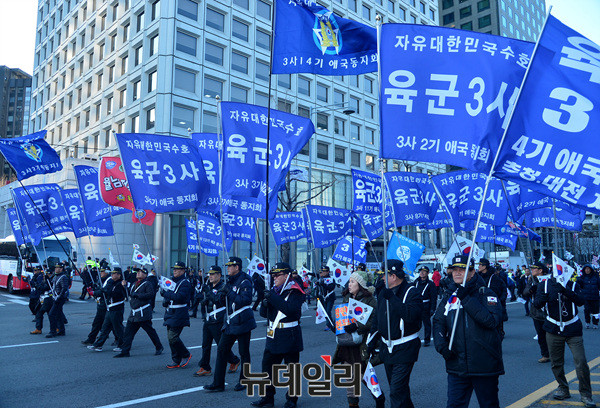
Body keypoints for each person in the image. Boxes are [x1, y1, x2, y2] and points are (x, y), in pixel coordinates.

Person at [433, 255, 504, 408]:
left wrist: (466, 298)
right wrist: (441, 345)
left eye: (462, 270)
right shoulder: (449, 295)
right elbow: (438, 321)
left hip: (484, 364)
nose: (457, 273)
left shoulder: (486, 293)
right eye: (454, 270)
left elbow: (491, 321)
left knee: (489, 404)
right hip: (457, 364)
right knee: (454, 405)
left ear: (472, 272)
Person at [533, 268, 596, 407]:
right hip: (553, 328)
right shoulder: (544, 285)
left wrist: (565, 290)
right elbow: (536, 304)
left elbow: (580, 301)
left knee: (581, 361)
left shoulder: (573, 285)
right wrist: (544, 296)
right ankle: (563, 387)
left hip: (572, 328)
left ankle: (586, 394)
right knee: (556, 362)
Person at [251, 263, 306, 408]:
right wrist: (265, 302)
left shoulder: (295, 291)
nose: (274, 278)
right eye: (273, 275)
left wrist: (273, 298)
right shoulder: (274, 291)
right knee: (267, 368)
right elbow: (264, 314)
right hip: (273, 335)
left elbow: (291, 310)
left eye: (277, 275)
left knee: (291, 370)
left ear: (287, 275)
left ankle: (292, 399)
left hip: (290, 335)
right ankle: (267, 398)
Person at [369, 260, 421, 408]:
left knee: (396, 391)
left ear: (394, 276)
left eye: (385, 275)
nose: (382, 278)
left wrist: (391, 298)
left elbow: (411, 315)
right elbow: (377, 320)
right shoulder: (383, 292)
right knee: (400, 389)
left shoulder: (412, 292)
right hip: (387, 348)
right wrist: (371, 340)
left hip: (405, 347)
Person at [331, 270, 385, 408]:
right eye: (349, 281)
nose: (349, 284)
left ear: (360, 284)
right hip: (347, 343)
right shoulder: (346, 298)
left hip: (362, 345)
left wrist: (357, 326)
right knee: (349, 376)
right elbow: (343, 318)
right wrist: (338, 326)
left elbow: (375, 322)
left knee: (364, 375)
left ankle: (379, 398)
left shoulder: (371, 300)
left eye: (352, 281)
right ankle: (353, 404)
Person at [205, 256, 256, 392]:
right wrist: (214, 297)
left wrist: (229, 292)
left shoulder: (245, 281)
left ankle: (244, 380)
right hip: (230, 323)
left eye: (229, 266)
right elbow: (223, 301)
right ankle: (218, 383)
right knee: (222, 350)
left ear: (237, 267)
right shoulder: (229, 281)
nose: (227, 268)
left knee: (244, 352)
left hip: (243, 321)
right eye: (227, 266)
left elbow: (245, 300)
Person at [194, 265, 240, 377]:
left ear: (219, 275)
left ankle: (234, 360)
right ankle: (205, 367)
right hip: (208, 320)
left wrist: (207, 292)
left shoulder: (223, 287)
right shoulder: (208, 285)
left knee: (221, 345)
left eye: (213, 274)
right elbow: (208, 299)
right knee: (205, 344)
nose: (210, 276)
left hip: (218, 320)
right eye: (209, 274)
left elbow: (217, 300)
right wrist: (203, 299)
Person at [114, 268, 164, 358]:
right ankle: (125, 351)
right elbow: (129, 294)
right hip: (134, 313)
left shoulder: (147, 283)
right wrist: (124, 287)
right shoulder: (134, 284)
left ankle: (159, 346)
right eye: (137, 272)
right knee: (128, 333)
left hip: (143, 313)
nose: (138, 273)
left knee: (150, 331)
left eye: (141, 272)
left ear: (145, 275)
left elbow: (150, 295)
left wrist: (137, 295)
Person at [161, 261, 193, 369]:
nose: (174, 270)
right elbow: (170, 296)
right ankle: (176, 359)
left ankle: (185, 354)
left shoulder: (185, 283)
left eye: (177, 269)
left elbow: (179, 297)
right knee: (170, 338)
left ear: (183, 270)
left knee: (173, 337)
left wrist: (166, 294)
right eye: (174, 268)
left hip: (179, 313)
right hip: (170, 312)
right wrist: (165, 300)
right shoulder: (172, 281)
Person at [88, 268, 127, 352]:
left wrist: (105, 291)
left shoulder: (121, 284)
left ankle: (122, 345)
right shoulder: (112, 282)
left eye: (114, 273)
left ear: (119, 275)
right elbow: (104, 291)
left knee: (118, 328)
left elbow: (116, 294)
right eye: (112, 273)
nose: (112, 275)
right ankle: (98, 345)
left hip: (117, 308)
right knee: (105, 328)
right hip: (110, 308)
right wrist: (96, 292)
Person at [523, 262, 550, 363]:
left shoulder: (550, 279)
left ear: (540, 270)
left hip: (549, 311)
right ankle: (545, 354)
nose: (531, 270)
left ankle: (555, 354)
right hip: (536, 312)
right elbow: (524, 292)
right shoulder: (531, 280)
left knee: (552, 335)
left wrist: (539, 287)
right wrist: (531, 290)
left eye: (534, 268)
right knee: (541, 335)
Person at [478, 259, 508, 339]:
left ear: (484, 266)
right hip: (481, 305)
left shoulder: (494, 277)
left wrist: (499, 301)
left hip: (493, 304)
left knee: (496, 327)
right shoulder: (478, 277)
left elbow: (502, 290)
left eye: (480, 265)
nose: (478, 266)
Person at [81, 268, 111, 345]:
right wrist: (93, 288)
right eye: (100, 271)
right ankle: (91, 339)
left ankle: (119, 339)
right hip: (100, 304)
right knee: (96, 323)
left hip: (106, 305)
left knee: (113, 325)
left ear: (107, 272)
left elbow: (104, 291)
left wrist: (94, 292)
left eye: (102, 271)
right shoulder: (100, 279)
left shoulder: (109, 280)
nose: (100, 273)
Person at [413, 266, 437, 347]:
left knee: (426, 324)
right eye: (420, 271)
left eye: (424, 271)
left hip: (425, 306)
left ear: (427, 273)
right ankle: (414, 340)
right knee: (414, 323)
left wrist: (432, 308)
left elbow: (433, 297)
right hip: (416, 306)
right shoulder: (415, 282)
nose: (422, 273)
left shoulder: (431, 284)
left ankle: (427, 340)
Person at [46, 262, 69, 338]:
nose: (56, 269)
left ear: (61, 268)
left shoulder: (63, 277)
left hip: (59, 298)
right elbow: (52, 285)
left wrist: (58, 297)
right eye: (55, 268)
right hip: (55, 297)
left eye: (57, 268)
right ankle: (62, 330)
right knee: (58, 314)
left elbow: (64, 288)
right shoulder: (56, 276)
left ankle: (53, 331)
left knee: (51, 314)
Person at [31, 268, 54, 335]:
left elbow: (45, 288)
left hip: (49, 299)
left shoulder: (51, 280)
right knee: (38, 313)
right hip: (42, 298)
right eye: (44, 274)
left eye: (47, 274)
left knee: (51, 314)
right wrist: (35, 282)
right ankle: (38, 329)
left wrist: (38, 286)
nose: (44, 275)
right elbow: (40, 287)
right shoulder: (44, 280)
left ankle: (55, 328)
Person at [577, 265, 600, 329]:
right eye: (586, 269)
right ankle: (587, 322)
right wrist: (578, 281)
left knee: (596, 311)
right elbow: (579, 287)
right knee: (586, 310)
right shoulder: (582, 277)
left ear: (591, 270)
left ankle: (595, 323)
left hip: (595, 297)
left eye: (588, 269)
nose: (587, 270)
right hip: (586, 297)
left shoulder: (596, 277)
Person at [315, 265, 336, 331]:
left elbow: (331, 287)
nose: (323, 273)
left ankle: (328, 325)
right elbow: (319, 290)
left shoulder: (331, 279)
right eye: (322, 271)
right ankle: (331, 323)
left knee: (328, 311)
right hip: (322, 298)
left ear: (328, 272)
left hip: (330, 297)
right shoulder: (320, 278)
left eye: (325, 271)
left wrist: (323, 284)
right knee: (325, 312)